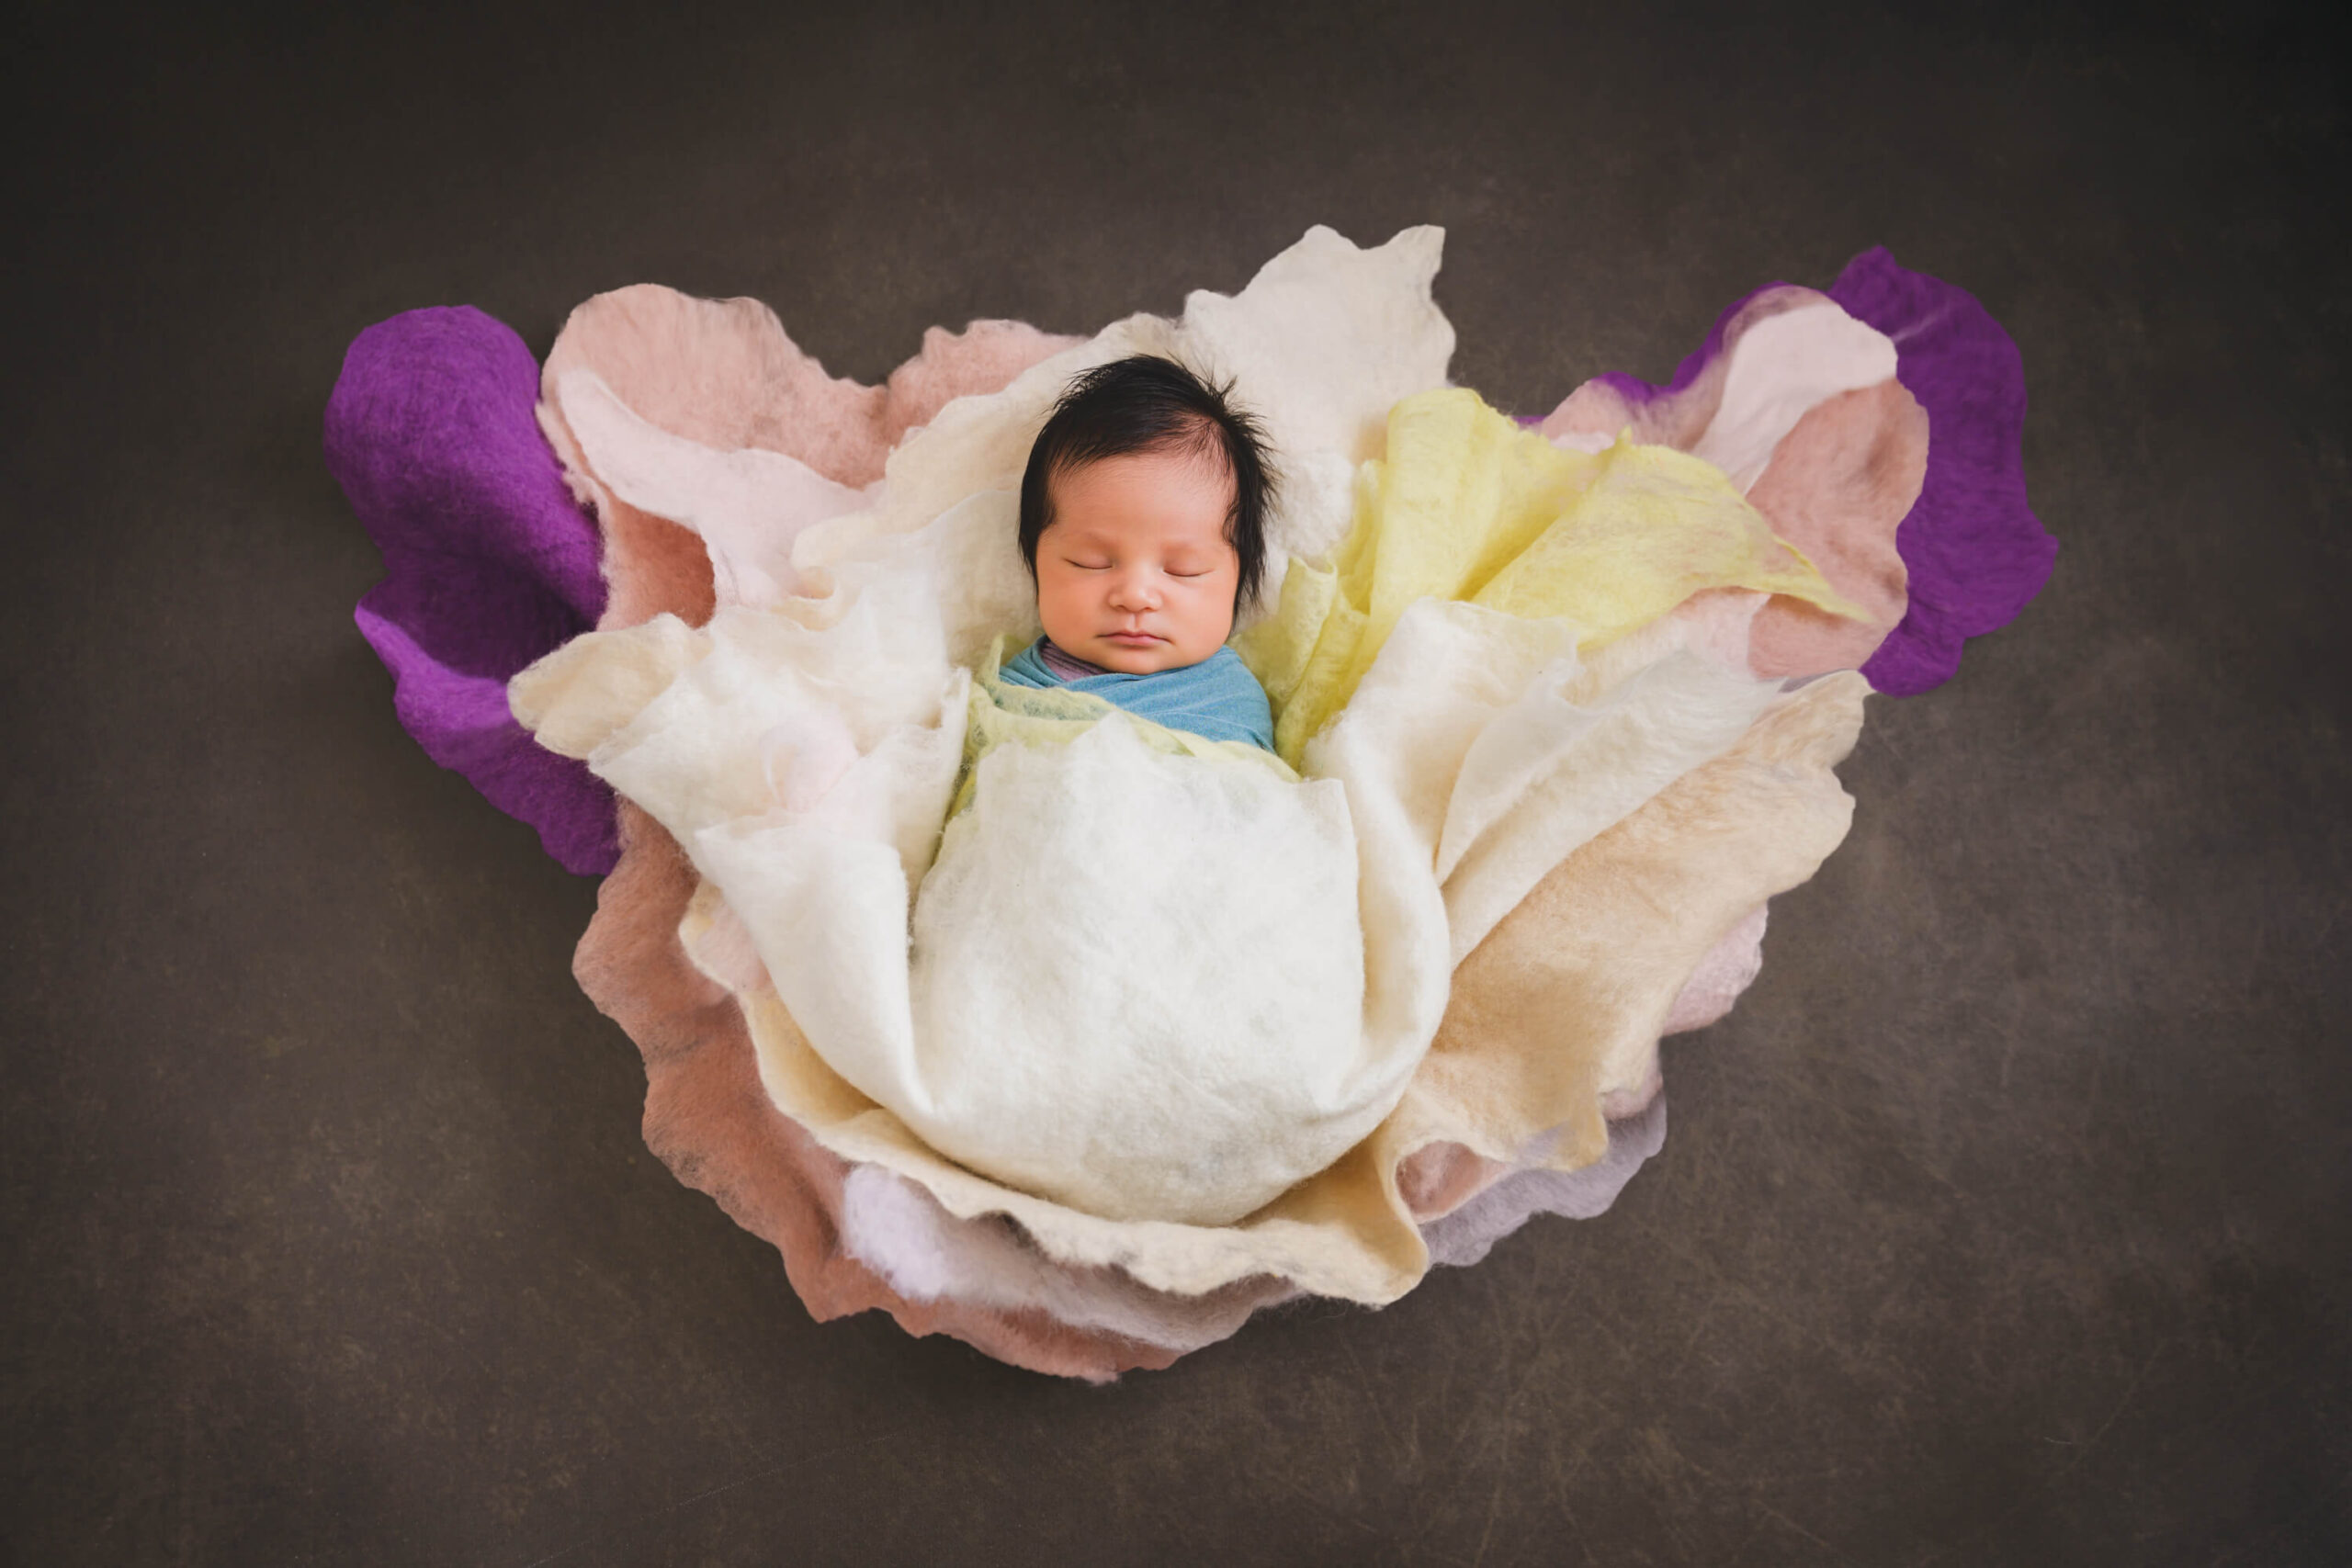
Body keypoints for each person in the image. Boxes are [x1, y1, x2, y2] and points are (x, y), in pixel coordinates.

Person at [997, 355, 1278, 750]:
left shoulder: (1229, 704)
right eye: (1089, 562)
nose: (1134, 596)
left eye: (1184, 569)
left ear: (1239, 578)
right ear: (1035, 563)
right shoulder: (1011, 694)